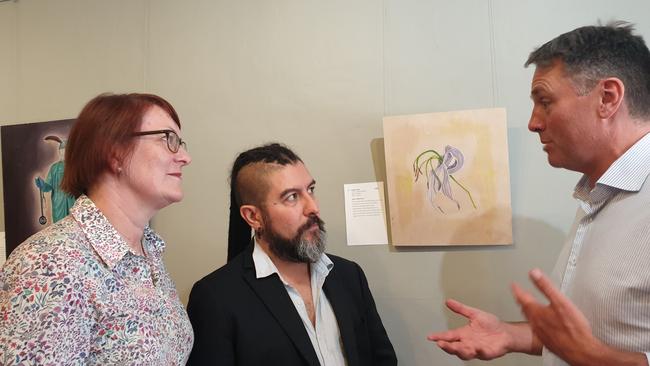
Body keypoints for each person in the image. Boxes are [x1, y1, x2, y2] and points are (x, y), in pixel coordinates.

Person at [427, 21, 650, 366]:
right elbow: (595, 335)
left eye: (545, 101)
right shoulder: (599, 196)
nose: (534, 122)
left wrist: (594, 358)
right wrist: (509, 334)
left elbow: (592, 351)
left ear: (608, 98)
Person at [0, 93, 193, 364]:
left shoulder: (148, 252)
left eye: (180, 142)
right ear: (115, 153)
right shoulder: (50, 265)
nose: (185, 157)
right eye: (168, 139)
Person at [187, 143, 397, 366]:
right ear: (253, 217)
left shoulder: (349, 276)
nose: (313, 207)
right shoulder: (216, 297)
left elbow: (382, 359)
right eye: (292, 197)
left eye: (311, 190)